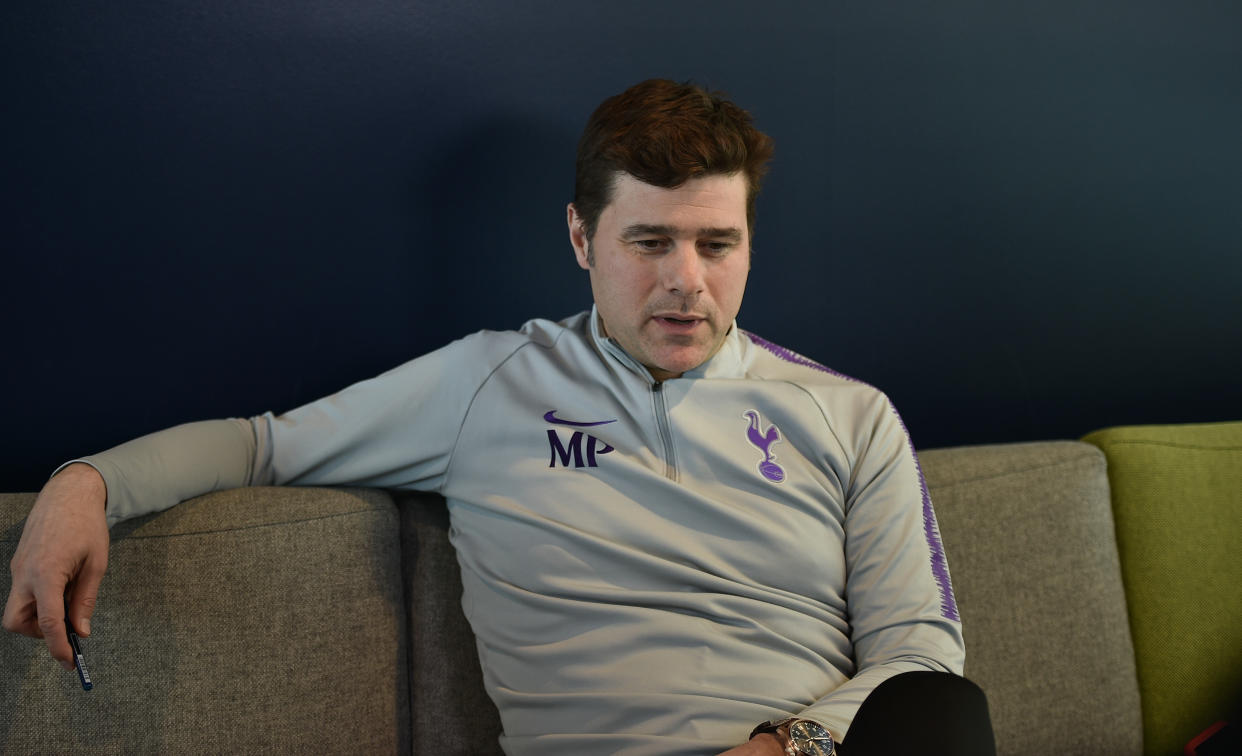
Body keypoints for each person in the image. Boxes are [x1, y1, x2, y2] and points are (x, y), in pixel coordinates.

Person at [4, 79, 992, 755]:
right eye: (648, 240)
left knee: (947, 714)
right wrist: (85, 482)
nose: (686, 282)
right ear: (579, 236)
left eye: (716, 244)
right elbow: (260, 443)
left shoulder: (852, 417)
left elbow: (922, 652)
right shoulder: (485, 383)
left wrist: (781, 747)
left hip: (802, 750)